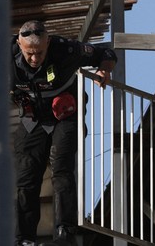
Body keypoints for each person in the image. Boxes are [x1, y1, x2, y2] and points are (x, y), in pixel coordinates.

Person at [10, 20, 115, 246]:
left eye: (40, 52)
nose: (35, 59)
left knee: (62, 168)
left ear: (48, 43)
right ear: (19, 44)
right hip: (33, 119)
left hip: (65, 116)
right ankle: (24, 239)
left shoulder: (65, 49)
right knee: (26, 177)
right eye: (30, 53)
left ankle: (65, 232)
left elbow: (106, 52)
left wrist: (104, 69)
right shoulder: (5, 55)